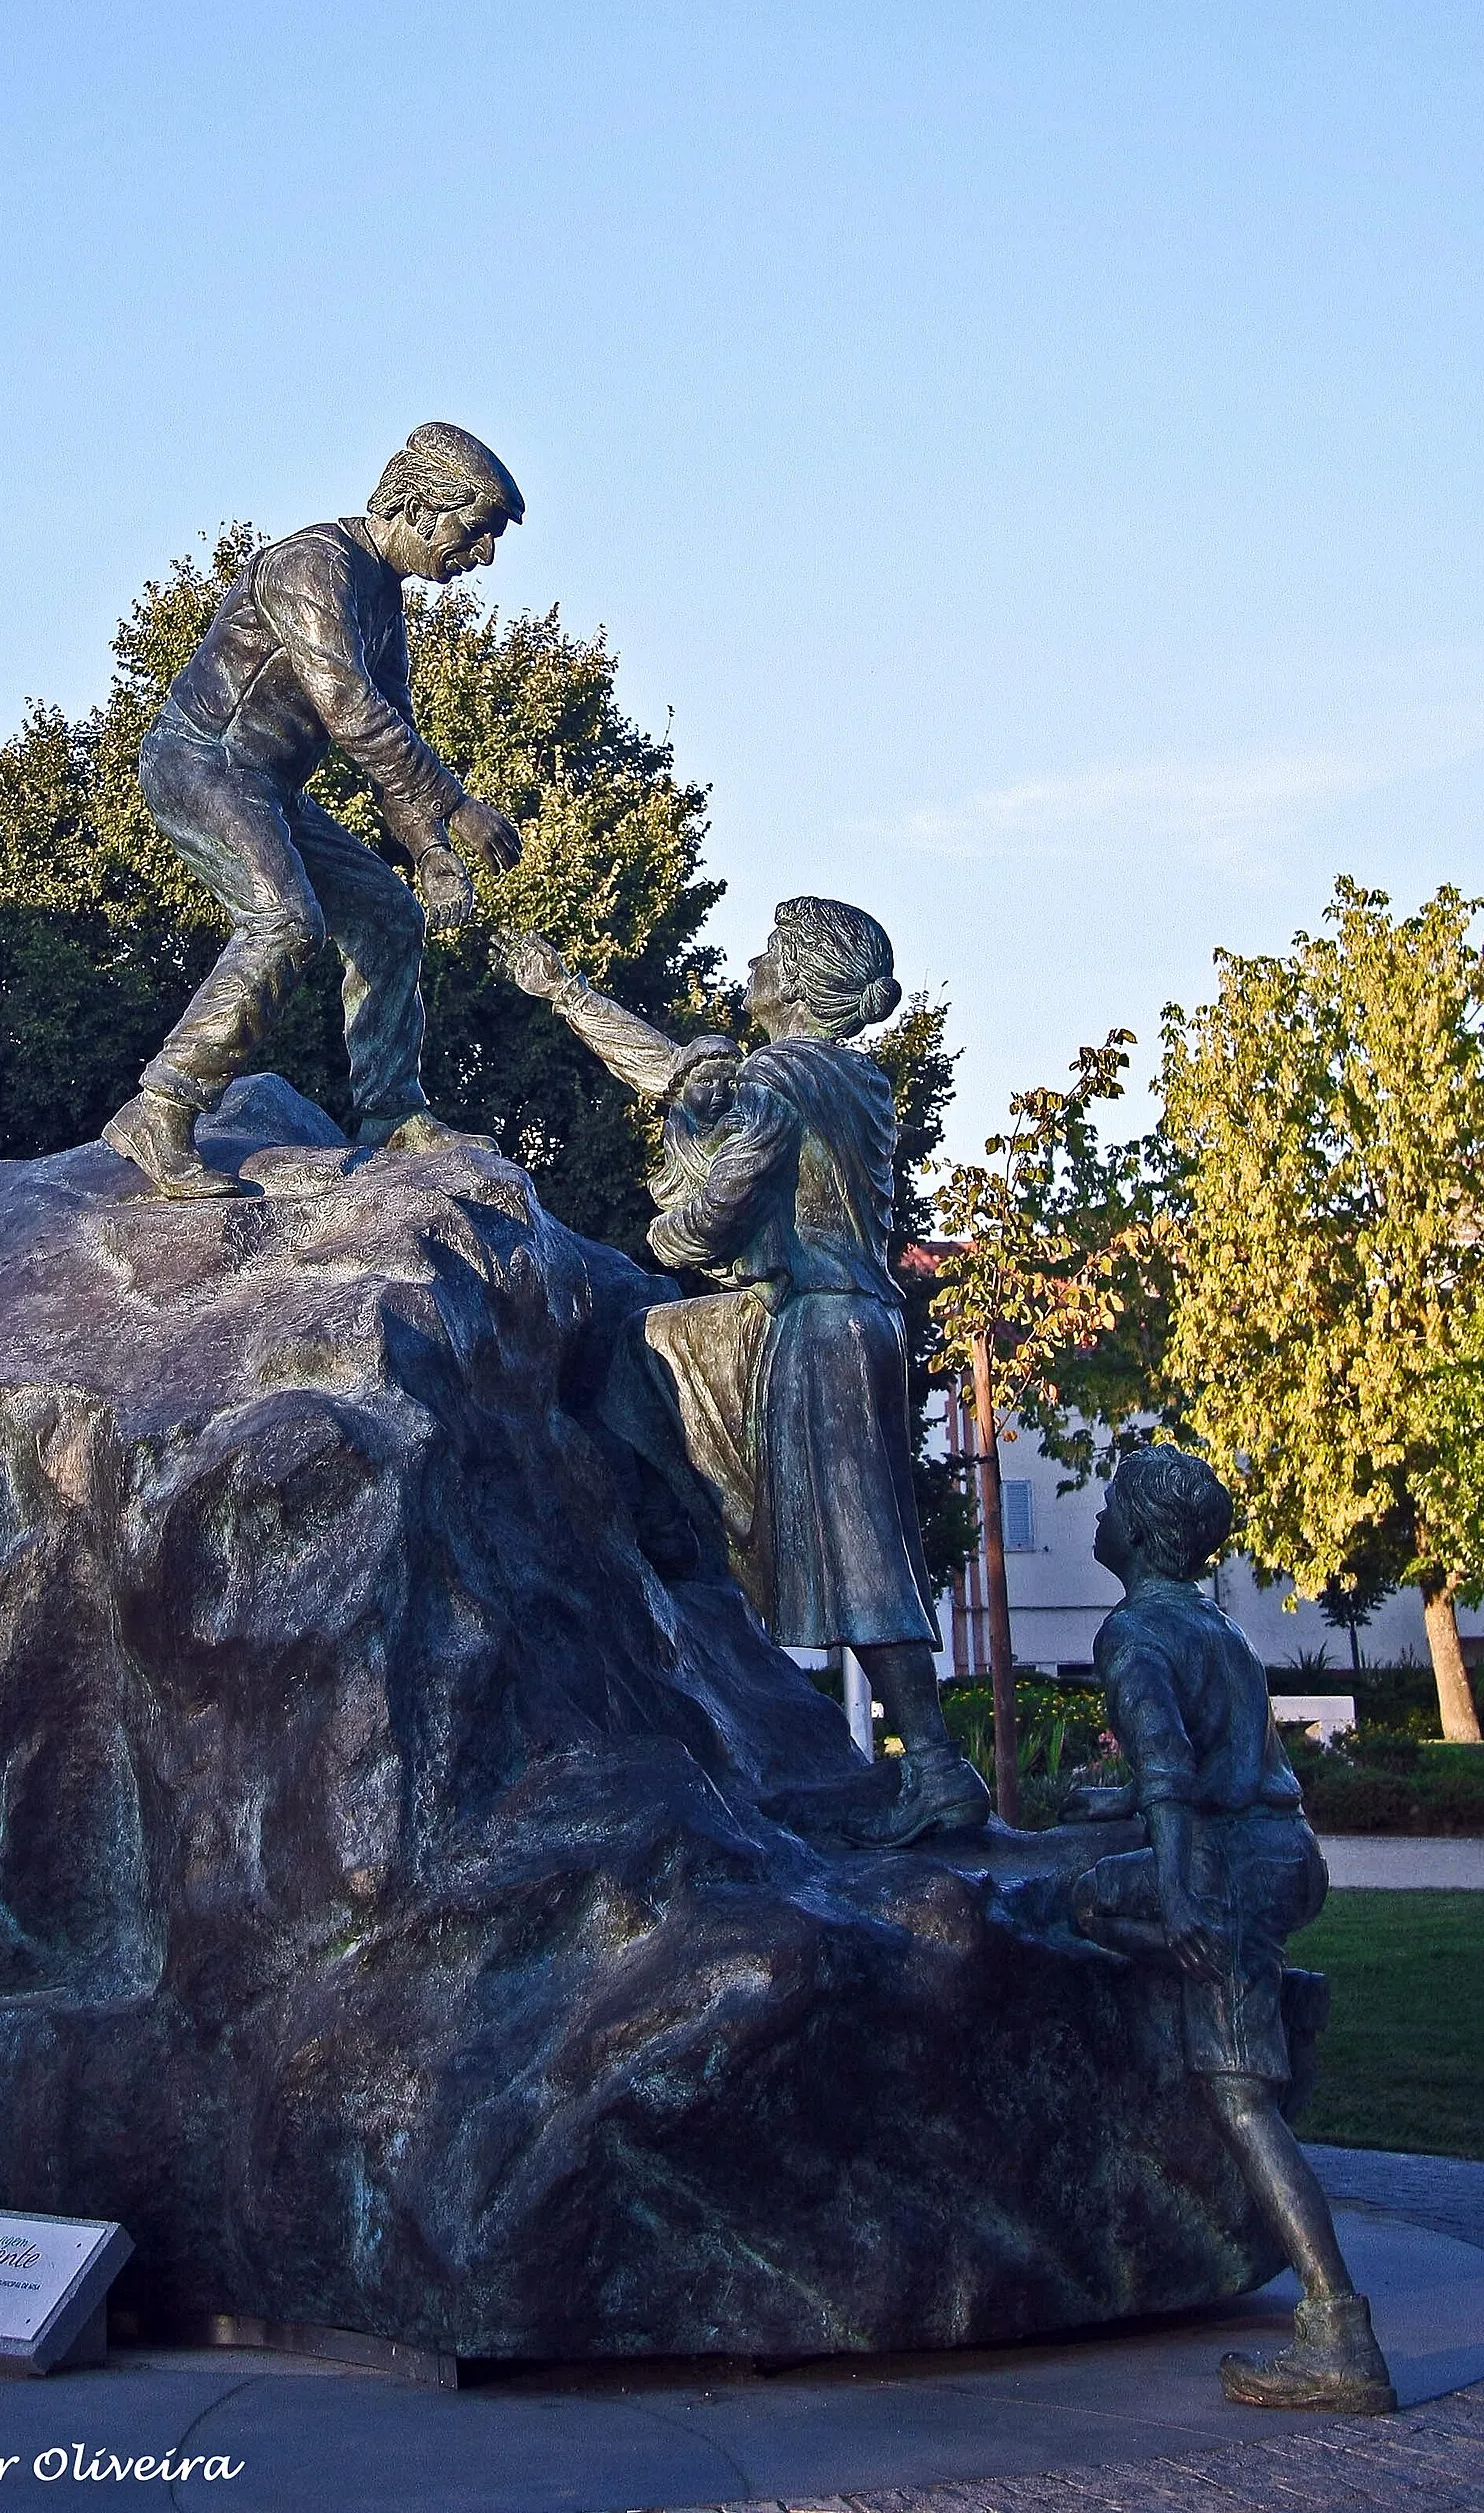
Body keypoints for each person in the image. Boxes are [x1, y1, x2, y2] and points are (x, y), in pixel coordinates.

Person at [503, 895, 989, 1845]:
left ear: (802, 983)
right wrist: (566, 993)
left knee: (862, 1552)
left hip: (816, 1328)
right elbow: (678, 1080)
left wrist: (671, 1227)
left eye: (772, 952)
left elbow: (722, 1198)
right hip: (853, 1322)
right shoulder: (845, 1077)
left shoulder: (781, 1078)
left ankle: (934, 1767)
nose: (754, 964)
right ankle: (680, 1539)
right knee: (655, 1361)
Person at [106, 423, 526, 1197]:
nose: (482, 556)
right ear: (416, 505)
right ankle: (160, 1108)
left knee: (390, 916)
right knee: (285, 923)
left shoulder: (382, 601)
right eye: (474, 532)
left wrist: (428, 849)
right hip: (200, 765)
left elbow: (389, 727)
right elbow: (350, 707)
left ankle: (390, 1112)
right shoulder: (314, 565)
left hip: (269, 790)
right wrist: (459, 805)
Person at [1069, 1443, 1395, 2414]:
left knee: (1241, 2097)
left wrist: (1176, 1899)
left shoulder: (1130, 1633)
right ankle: (1225, 1997)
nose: (1094, 1518)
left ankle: (1338, 2333)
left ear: (1131, 1530)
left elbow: (1171, 1781)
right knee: (1086, 1901)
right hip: (1280, 1850)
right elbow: (1205, 1761)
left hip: (1224, 1869)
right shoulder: (1212, 1627)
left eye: (1106, 1504)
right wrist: (1110, 1806)